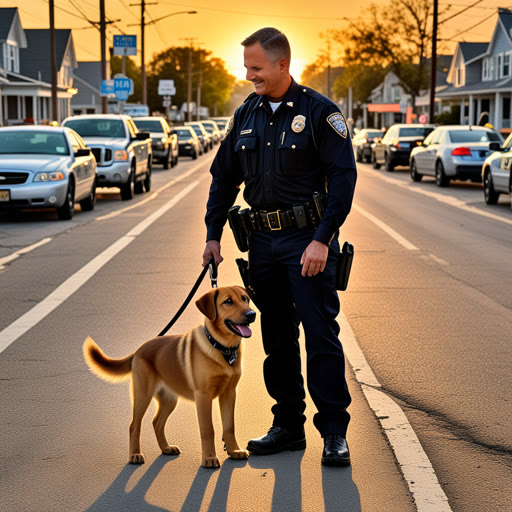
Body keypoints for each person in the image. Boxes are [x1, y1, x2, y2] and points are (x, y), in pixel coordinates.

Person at [202, 27, 357, 466]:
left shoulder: (320, 113)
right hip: (262, 243)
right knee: (276, 336)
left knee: (321, 336)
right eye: (246, 66)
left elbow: (343, 179)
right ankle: (288, 425)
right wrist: (213, 235)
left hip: (307, 242)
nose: (248, 74)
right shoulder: (245, 115)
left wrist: (322, 239)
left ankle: (333, 433)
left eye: (255, 67)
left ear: (281, 65)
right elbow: (223, 179)